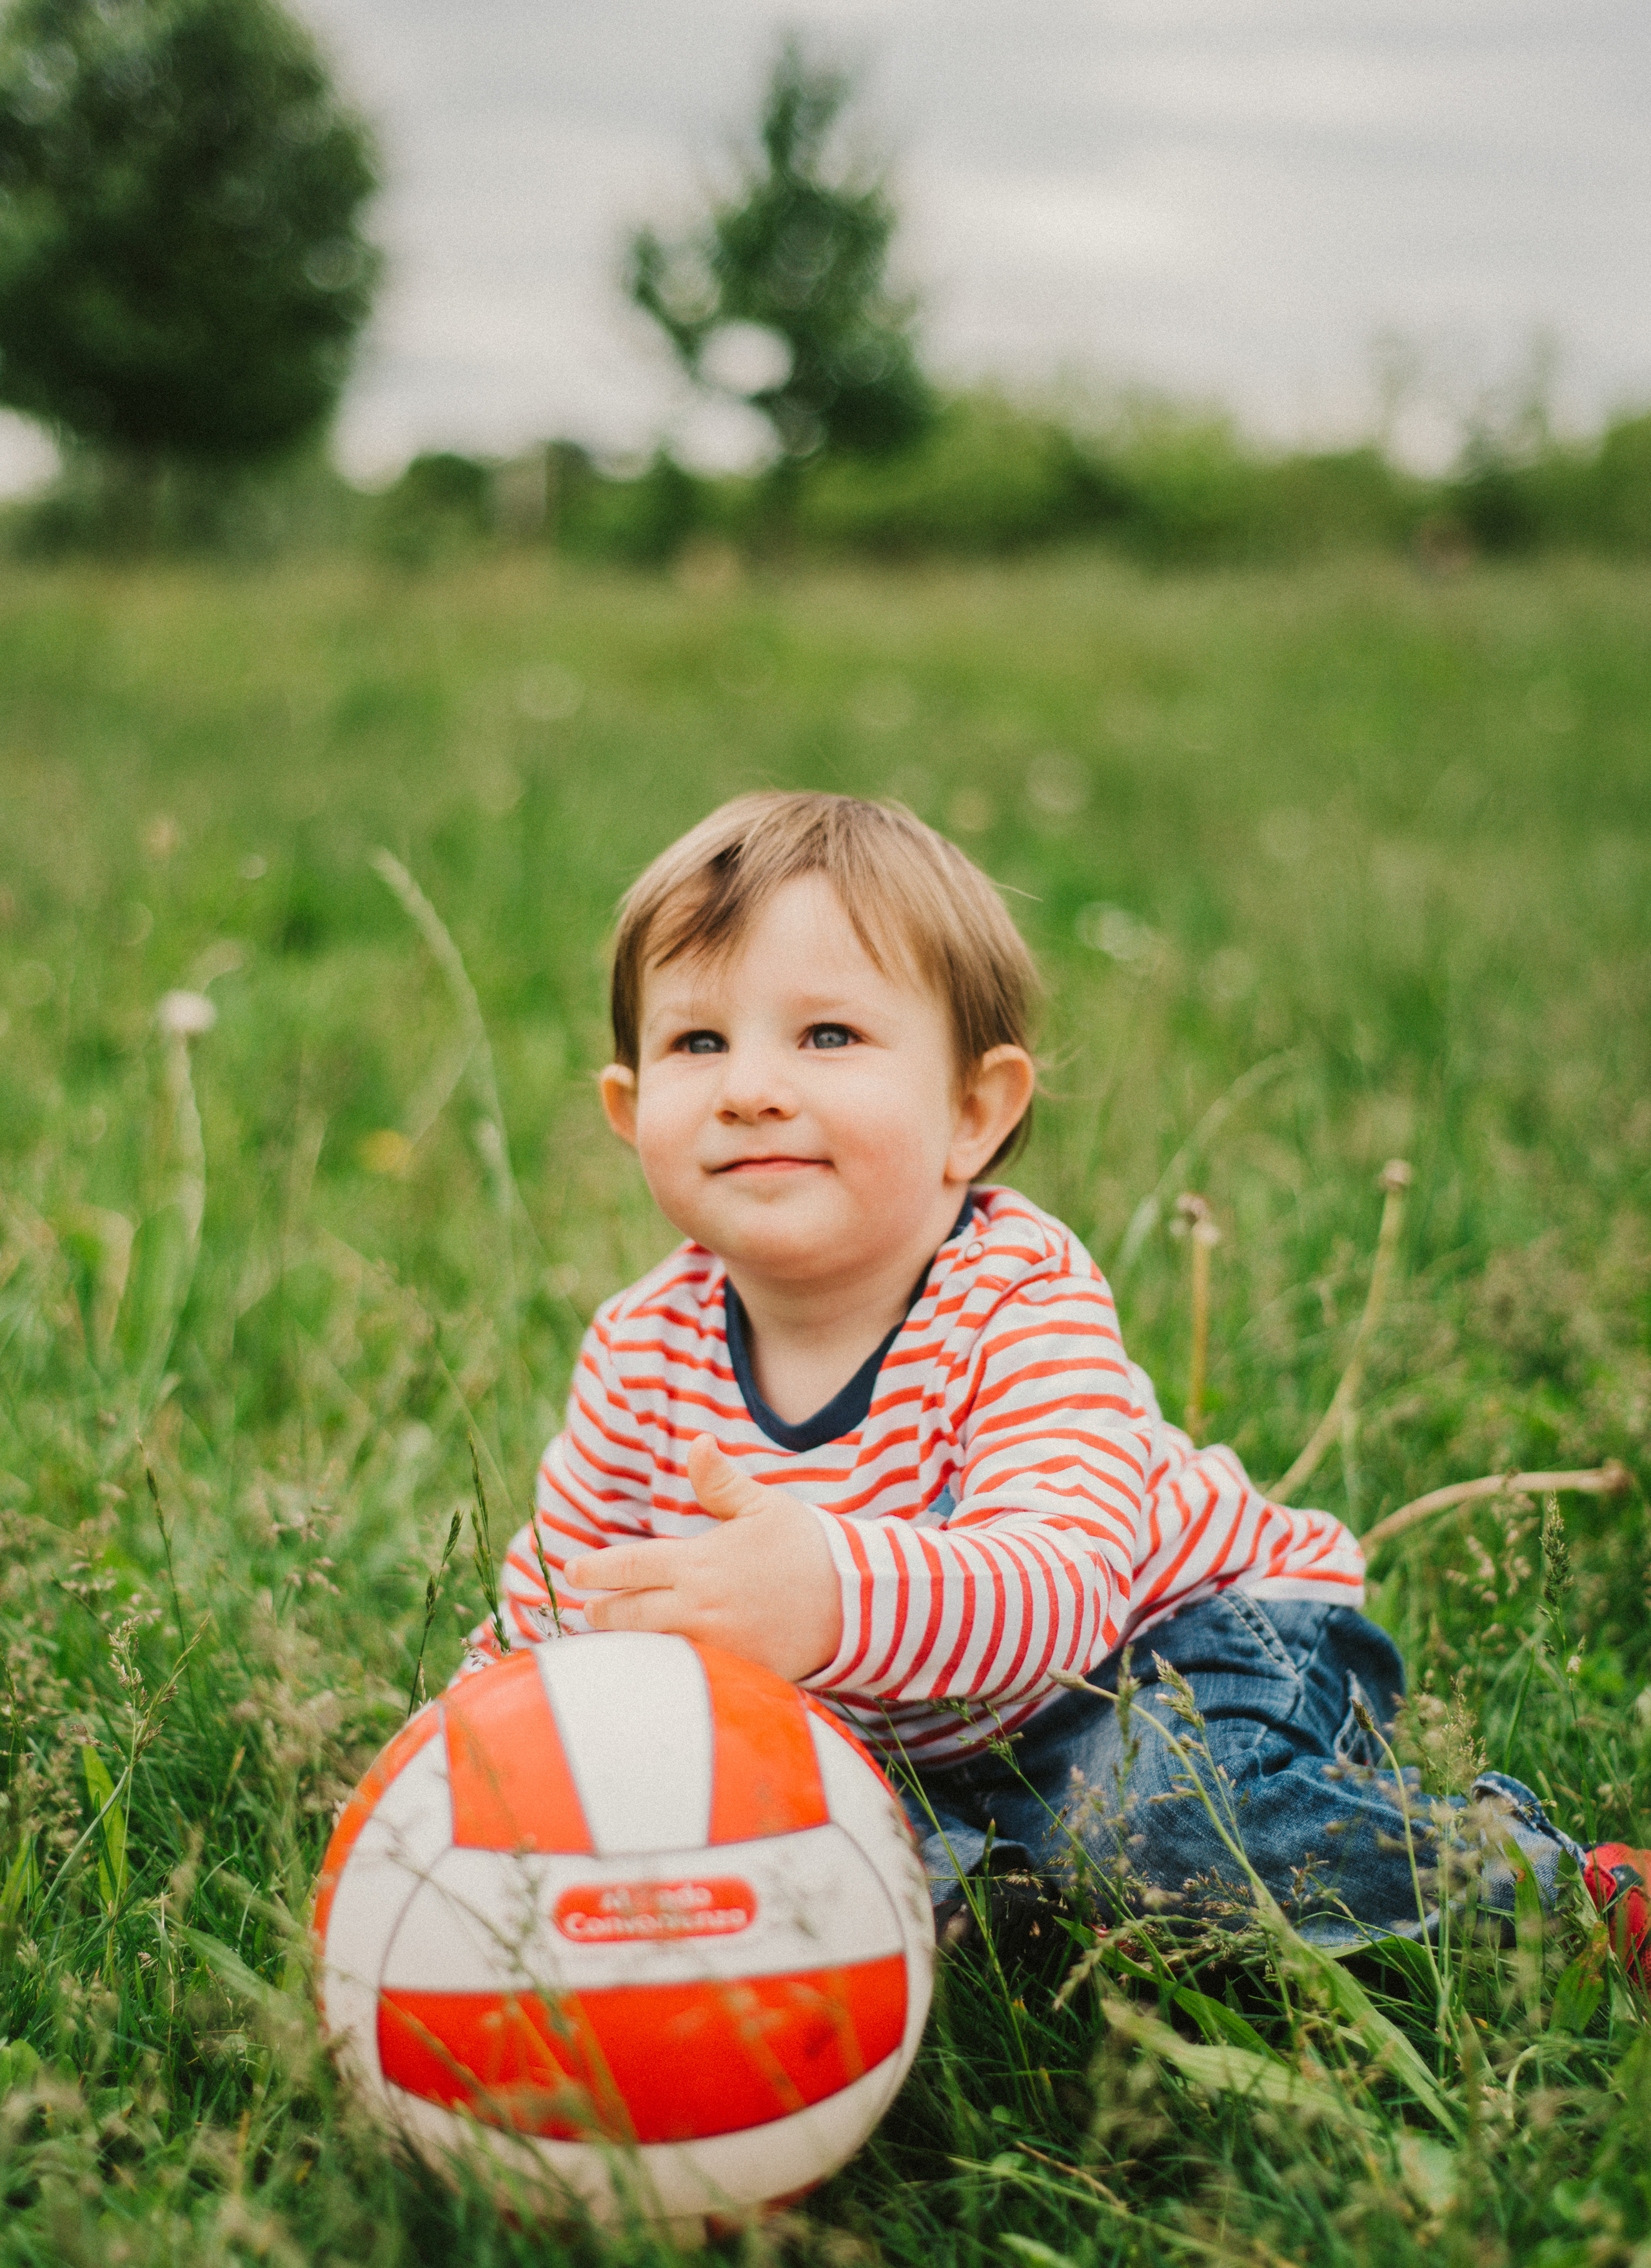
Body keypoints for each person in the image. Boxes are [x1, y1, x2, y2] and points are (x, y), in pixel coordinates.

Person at [457, 791, 1649, 1971]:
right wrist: (470, 1762)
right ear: (629, 1109)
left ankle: (1560, 1891)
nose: (751, 1085)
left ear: (974, 1110)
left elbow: (1060, 1591)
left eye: (827, 1036)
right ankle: (998, 1885)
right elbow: (567, 1595)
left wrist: (824, 1592)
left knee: (1162, 1832)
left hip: (1177, 1655)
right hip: (924, 1732)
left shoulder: (1016, 1294)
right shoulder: (643, 1343)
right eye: (697, 1041)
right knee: (785, 1863)